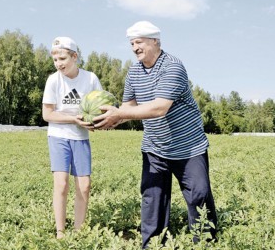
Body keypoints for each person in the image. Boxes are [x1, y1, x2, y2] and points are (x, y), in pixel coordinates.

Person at [93, 21, 217, 248]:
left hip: (188, 147)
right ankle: (151, 245)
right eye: (131, 43)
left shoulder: (172, 67)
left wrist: (119, 113)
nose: (134, 47)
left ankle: (206, 243)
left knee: (199, 196)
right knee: (152, 198)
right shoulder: (133, 71)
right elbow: (127, 107)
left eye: (139, 42)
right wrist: (105, 121)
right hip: (155, 147)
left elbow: (159, 108)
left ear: (155, 41)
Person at [42, 36, 102, 239]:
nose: (58, 64)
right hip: (58, 136)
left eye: (62, 59)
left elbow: (101, 106)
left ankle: (78, 231)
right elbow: (47, 114)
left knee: (84, 186)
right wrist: (73, 119)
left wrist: (98, 122)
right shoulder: (53, 80)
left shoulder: (91, 79)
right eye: (55, 60)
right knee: (61, 184)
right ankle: (60, 232)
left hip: (81, 138)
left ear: (74, 56)